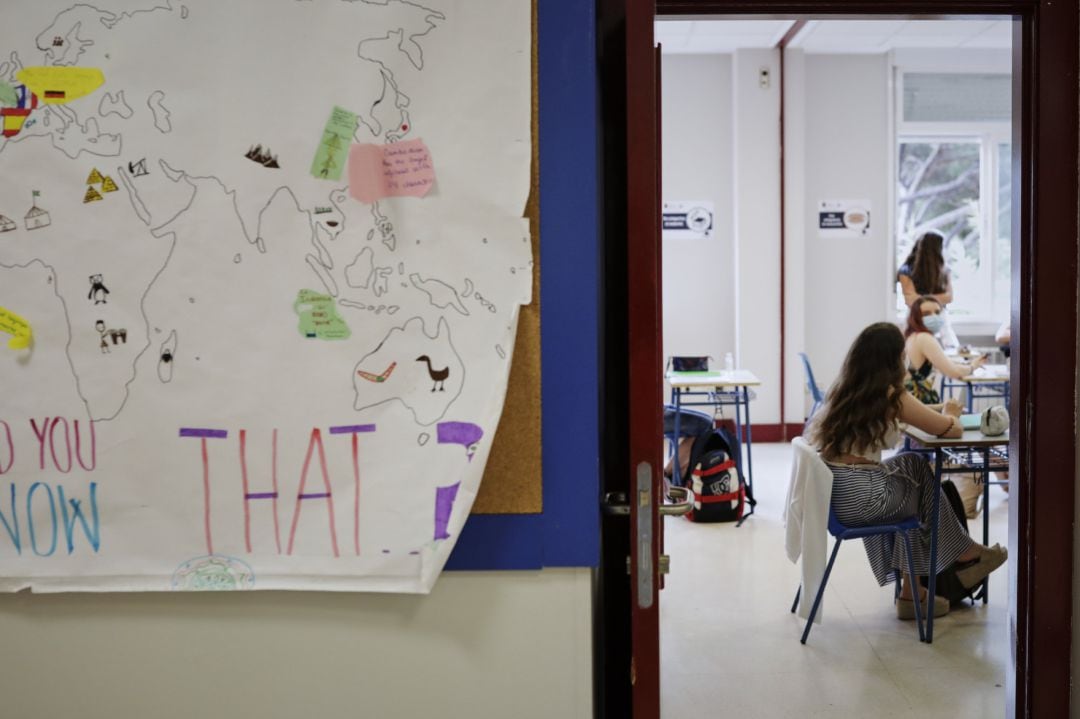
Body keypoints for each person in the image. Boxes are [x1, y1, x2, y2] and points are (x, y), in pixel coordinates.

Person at [808, 322, 1007, 620]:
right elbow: (946, 430)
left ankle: (914, 591)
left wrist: (937, 411)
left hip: (839, 495)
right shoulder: (890, 395)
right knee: (918, 486)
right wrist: (951, 413)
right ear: (891, 359)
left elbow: (916, 416)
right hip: (862, 498)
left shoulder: (846, 389)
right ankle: (960, 557)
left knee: (913, 466)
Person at [903, 295, 986, 404]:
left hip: (909, 398)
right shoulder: (924, 338)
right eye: (927, 314)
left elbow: (946, 363)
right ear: (916, 317)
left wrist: (968, 364)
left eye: (937, 312)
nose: (934, 317)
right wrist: (972, 367)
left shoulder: (913, 336)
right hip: (915, 400)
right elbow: (953, 372)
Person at [897, 231, 953, 308]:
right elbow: (910, 300)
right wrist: (939, 298)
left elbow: (949, 297)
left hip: (939, 316)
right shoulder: (906, 270)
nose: (944, 252)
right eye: (942, 248)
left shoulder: (944, 270)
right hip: (916, 316)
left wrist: (919, 298)